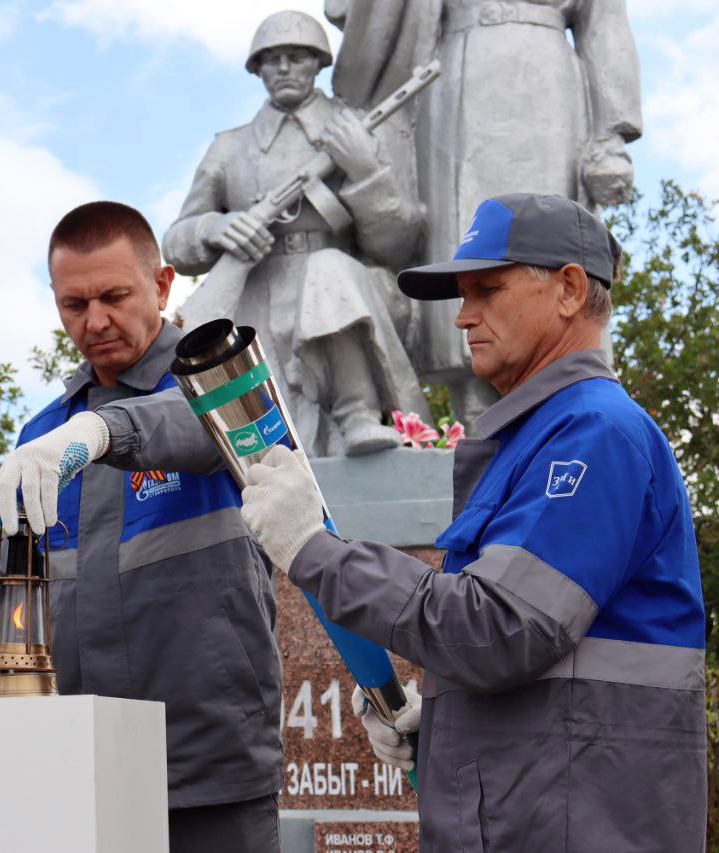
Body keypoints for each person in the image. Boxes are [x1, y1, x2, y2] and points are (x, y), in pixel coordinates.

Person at [240, 193, 705, 850]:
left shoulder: (596, 433)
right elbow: (550, 662)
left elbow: (499, 626)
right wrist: (449, 719)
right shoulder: (544, 437)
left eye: (487, 289)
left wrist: (315, 548)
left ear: (570, 289)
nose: (463, 316)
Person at [0, 201, 283, 852]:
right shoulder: (40, 436)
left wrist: (100, 431)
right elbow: (12, 606)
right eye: (73, 304)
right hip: (74, 773)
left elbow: (196, 424)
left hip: (207, 774)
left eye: (114, 295)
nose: (94, 321)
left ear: (163, 284)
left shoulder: (219, 386)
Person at [328, 0, 643, 426]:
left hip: (546, 86)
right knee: (467, 250)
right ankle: (476, 423)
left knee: (546, 251)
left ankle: (567, 406)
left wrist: (611, 137)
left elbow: (605, 26)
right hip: (456, 79)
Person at [164, 10, 430, 457]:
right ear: (258, 69)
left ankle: (357, 413)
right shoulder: (230, 147)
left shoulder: (356, 129)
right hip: (259, 297)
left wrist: (365, 172)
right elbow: (177, 242)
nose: (284, 68)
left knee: (329, 271)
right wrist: (218, 226)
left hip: (349, 292)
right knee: (277, 448)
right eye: (272, 59)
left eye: (296, 57)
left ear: (318, 63)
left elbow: (399, 244)